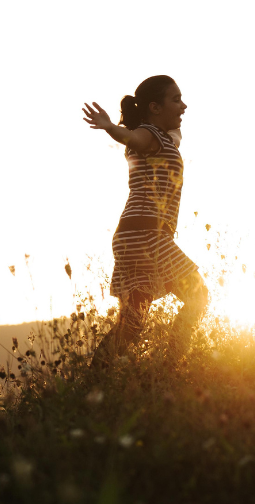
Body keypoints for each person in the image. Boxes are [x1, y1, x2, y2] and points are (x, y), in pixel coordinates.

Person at [82, 75, 208, 368]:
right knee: (198, 295)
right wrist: (112, 128)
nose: (184, 105)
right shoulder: (148, 135)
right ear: (154, 106)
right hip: (146, 235)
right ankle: (169, 369)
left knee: (133, 323)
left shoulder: (163, 137)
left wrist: (169, 122)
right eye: (175, 99)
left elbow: (173, 134)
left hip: (136, 233)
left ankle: (95, 381)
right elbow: (132, 137)